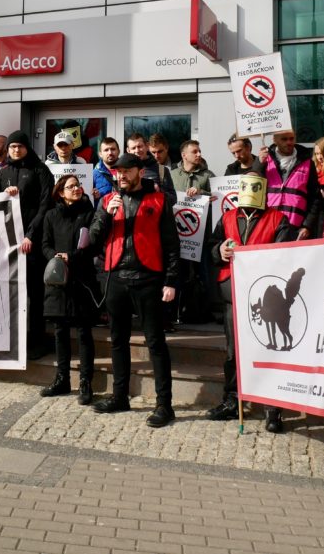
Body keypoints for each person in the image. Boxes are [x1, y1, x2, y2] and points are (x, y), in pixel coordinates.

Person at [88, 153, 181, 428]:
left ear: (140, 171)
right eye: (118, 172)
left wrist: (171, 281)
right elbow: (93, 240)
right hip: (116, 278)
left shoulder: (159, 200)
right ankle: (120, 396)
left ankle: (165, 405)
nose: (122, 175)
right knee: (117, 340)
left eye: (128, 171)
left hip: (148, 279)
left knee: (156, 343)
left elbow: (172, 245)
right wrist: (107, 214)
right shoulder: (107, 201)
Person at [204, 172, 295, 428]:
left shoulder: (278, 219)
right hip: (233, 293)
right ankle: (233, 400)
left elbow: (284, 256)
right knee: (233, 351)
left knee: (269, 348)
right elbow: (210, 246)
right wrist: (219, 250)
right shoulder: (228, 217)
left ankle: (272, 406)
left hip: (266, 299)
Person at [0, 131, 55, 360]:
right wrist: (3, 194)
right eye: (12, 147)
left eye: (20, 146)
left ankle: (38, 341)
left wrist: (31, 235)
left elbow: (45, 205)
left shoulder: (41, 171)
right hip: (8, 245)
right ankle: (15, 341)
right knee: (11, 293)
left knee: (35, 294)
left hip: (32, 244)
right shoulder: (3, 173)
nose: (16, 150)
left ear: (28, 147)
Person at [40, 175, 98, 405]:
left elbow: (94, 245)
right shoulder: (51, 215)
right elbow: (44, 244)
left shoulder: (89, 213)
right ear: (61, 192)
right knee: (60, 330)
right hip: (57, 280)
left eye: (78, 185)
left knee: (84, 332)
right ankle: (62, 379)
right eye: (70, 186)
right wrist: (54, 258)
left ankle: (86, 382)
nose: (76, 188)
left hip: (82, 279)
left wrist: (71, 257)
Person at [170, 139, 217, 325]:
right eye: (195, 151)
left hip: (201, 236)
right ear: (184, 155)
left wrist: (202, 192)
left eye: (199, 151)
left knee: (203, 275)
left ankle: (203, 312)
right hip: (176, 236)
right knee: (177, 275)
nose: (199, 154)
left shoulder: (208, 175)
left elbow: (217, 197)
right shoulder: (171, 175)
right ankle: (174, 313)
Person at [259, 129, 321, 240]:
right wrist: (258, 164)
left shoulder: (307, 162)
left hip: (295, 228)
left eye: (291, 138)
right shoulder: (264, 160)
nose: (289, 142)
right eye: (284, 139)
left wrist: (307, 225)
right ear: (274, 140)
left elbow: (315, 198)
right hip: (267, 226)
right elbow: (253, 188)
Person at [126, 133, 176, 208]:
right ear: (128, 150)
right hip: (131, 217)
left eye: (140, 146)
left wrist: (158, 191)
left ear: (147, 146)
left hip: (154, 217)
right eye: (133, 148)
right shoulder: (123, 170)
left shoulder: (161, 170)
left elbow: (173, 199)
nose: (137, 150)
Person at [92, 137, 120, 202]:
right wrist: (94, 197)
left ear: (118, 151)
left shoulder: (127, 171)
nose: (110, 153)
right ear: (100, 154)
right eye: (106, 150)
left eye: (113, 149)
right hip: (102, 211)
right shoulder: (93, 175)